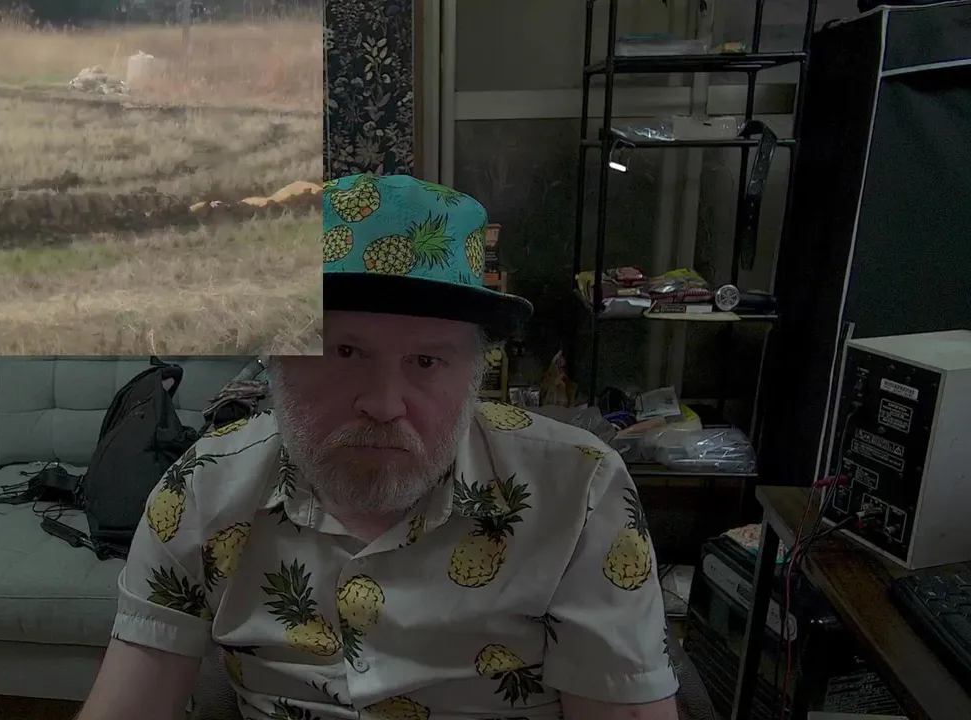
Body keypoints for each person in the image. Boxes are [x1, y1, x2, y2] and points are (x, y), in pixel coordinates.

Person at [77, 174, 680, 720]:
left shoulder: (579, 492)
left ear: (474, 375)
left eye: (426, 361)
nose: (385, 403)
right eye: (345, 352)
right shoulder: (201, 488)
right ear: (276, 360)